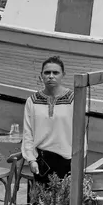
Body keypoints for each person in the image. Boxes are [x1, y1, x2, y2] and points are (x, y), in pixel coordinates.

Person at [22, 55, 74, 185]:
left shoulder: (74, 99)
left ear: (63, 75)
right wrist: (31, 159)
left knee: (66, 202)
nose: (51, 76)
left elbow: (81, 132)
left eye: (55, 72)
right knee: (42, 202)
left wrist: (79, 158)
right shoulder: (32, 101)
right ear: (41, 75)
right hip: (42, 160)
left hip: (68, 159)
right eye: (47, 72)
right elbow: (28, 133)